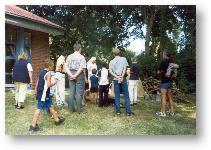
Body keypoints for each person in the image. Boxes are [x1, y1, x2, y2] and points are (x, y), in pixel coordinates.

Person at [29, 59, 65, 132]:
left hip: (41, 92)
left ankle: (57, 120)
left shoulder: (42, 72)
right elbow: (48, 85)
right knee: (39, 108)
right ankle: (33, 126)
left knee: (50, 106)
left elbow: (38, 81)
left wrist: (35, 89)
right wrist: (55, 81)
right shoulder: (48, 73)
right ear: (49, 66)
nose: (52, 67)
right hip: (44, 94)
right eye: (52, 66)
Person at [109, 48, 134, 116]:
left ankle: (118, 111)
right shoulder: (123, 59)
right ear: (119, 52)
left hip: (115, 79)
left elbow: (110, 71)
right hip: (123, 79)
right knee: (126, 95)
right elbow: (124, 68)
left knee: (117, 95)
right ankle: (128, 112)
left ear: (113, 54)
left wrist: (117, 77)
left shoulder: (111, 61)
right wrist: (122, 77)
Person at [65, 42, 86, 113]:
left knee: (71, 92)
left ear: (74, 48)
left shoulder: (69, 56)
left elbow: (66, 67)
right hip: (79, 75)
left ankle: (71, 109)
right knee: (79, 93)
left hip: (71, 74)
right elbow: (81, 68)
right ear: (80, 49)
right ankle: (79, 110)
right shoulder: (81, 57)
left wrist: (71, 75)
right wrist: (75, 75)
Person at [156, 49, 175, 117]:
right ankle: (172, 112)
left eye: (163, 53)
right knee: (170, 97)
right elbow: (173, 72)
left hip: (164, 81)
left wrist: (159, 72)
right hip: (170, 81)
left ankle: (163, 113)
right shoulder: (172, 61)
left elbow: (159, 72)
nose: (162, 54)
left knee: (163, 97)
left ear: (165, 54)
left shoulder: (163, 61)